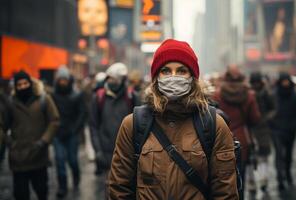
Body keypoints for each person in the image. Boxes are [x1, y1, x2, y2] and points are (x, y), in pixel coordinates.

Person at [108, 39, 239, 199]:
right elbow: (119, 189)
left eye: (182, 70)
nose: (173, 77)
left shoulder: (214, 125)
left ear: (192, 77)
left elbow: (225, 192)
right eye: (166, 70)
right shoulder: (133, 124)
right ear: (156, 77)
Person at [8, 71, 60, 200]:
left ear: (30, 83)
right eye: (19, 84)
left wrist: (44, 140)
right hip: (18, 158)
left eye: (25, 83)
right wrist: (9, 142)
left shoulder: (43, 99)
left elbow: (54, 120)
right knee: (20, 194)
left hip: (38, 156)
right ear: (15, 87)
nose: (23, 87)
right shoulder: (10, 102)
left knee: (42, 191)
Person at [212, 65, 261, 197]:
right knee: (241, 176)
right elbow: (255, 119)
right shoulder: (249, 95)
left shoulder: (217, 94)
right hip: (241, 140)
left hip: (220, 139)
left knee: (221, 178)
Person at [89, 62, 139, 175]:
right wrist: (98, 151)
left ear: (122, 80)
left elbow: (139, 125)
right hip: (106, 152)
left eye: (114, 79)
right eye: (109, 78)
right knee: (110, 188)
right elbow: (93, 125)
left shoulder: (132, 97)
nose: (111, 82)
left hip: (128, 154)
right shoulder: (98, 97)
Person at [51, 67, 87, 198]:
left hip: (72, 133)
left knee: (72, 160)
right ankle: (62, 187)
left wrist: (75, 129)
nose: (62, 82)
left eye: (64, 79)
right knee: (60, 161)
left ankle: (76, 177)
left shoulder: (76, 95)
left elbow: (82, 113)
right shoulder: (53, 95)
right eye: (60, 80)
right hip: (58, 133)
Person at [270, 72, 296, 191]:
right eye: (283, 81)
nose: (285, 83)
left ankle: (288, 173)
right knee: (279, 154)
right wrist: (272, 122)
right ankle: (280, 178)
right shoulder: (274, 95)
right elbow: (269, 110)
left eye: (287, 81)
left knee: (288, 154)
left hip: (290, 130)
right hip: (277, 129)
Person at [249, 72, 275, 193]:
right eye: (253, 83)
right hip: (251, 128)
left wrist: (266, 118)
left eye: (257, 83)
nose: (255, 85)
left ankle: (263, 179)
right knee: (251, 156)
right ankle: (253, 180)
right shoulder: (248, 94)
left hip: (263, 128)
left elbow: (273, 109)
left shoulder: (267, 93)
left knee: (264, 154)